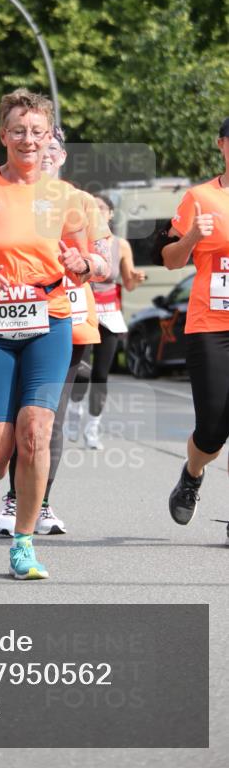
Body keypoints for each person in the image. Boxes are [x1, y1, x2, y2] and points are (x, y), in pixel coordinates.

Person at [0, 89, 109, 580]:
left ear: (49, 137)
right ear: (3, 135)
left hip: (48, 322)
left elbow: (102, 260)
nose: (28, 139)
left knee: (35, 434)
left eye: (37, 131)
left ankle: (24, 542)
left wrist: (84, 263)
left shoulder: (66, 197)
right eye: (18, 130)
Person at [0, 126, 109, 536]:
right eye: (40, 144)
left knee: (49, 420)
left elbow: (104, 259)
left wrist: (87, 263)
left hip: (68, 321)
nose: (45, 152)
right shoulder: (7, 196)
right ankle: (4, 492)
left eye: (53, 147)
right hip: (13, 318)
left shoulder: (80, 202)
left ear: (62, 156)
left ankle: (36, 502)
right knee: (15, 418)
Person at [164, 117, 229, 543]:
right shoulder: (200, 197)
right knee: (212, 429)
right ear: (222, 144)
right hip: (211, 325)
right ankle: (192, 473)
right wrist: (190, 237)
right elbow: (170, 260)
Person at [65, 193, 146, 448]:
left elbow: (128, 283)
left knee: (101, 374)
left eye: (102, 208)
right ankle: (74, 411)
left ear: (110, 215)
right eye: (93, 208)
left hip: (110, 314)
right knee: (82, 372)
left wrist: (136, 278)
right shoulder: (79, 240)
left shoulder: (121, 245)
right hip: (83, 312)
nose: (97, 212)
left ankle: (93, 429)